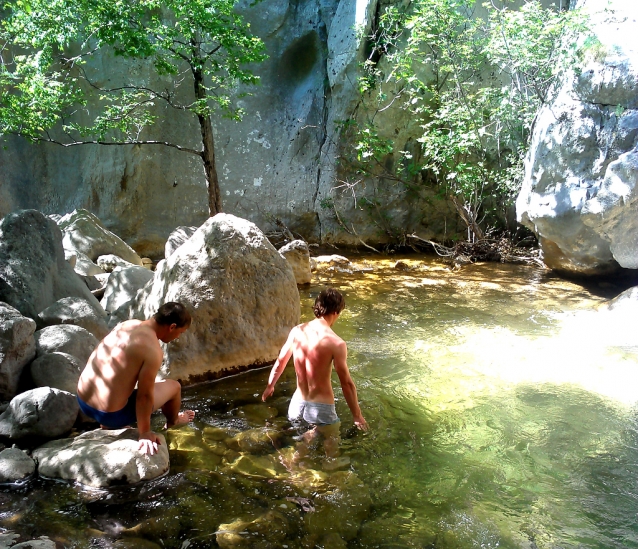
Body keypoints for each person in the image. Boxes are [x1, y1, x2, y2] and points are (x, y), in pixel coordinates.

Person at [77, 302, 196, 455]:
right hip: (108, 415)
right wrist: (145, 432)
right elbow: (144, 396)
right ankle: (174, 422)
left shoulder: (127, 324)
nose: (178, 337)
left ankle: (107, 426)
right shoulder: (153, 350)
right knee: (174, 387)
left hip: (82, 401)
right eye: (181, 332)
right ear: (172, 327)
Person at [262, 288, 368, 457]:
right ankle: (328, 473)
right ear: (336, 312)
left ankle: (295, 467)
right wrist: (357, 415)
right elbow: (346, 383)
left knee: (301, 451)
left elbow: (281, 361)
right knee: (331, 452)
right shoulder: (336, 343)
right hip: (321, 409)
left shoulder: (297, 331)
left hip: (296, 404)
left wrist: (270, 386)